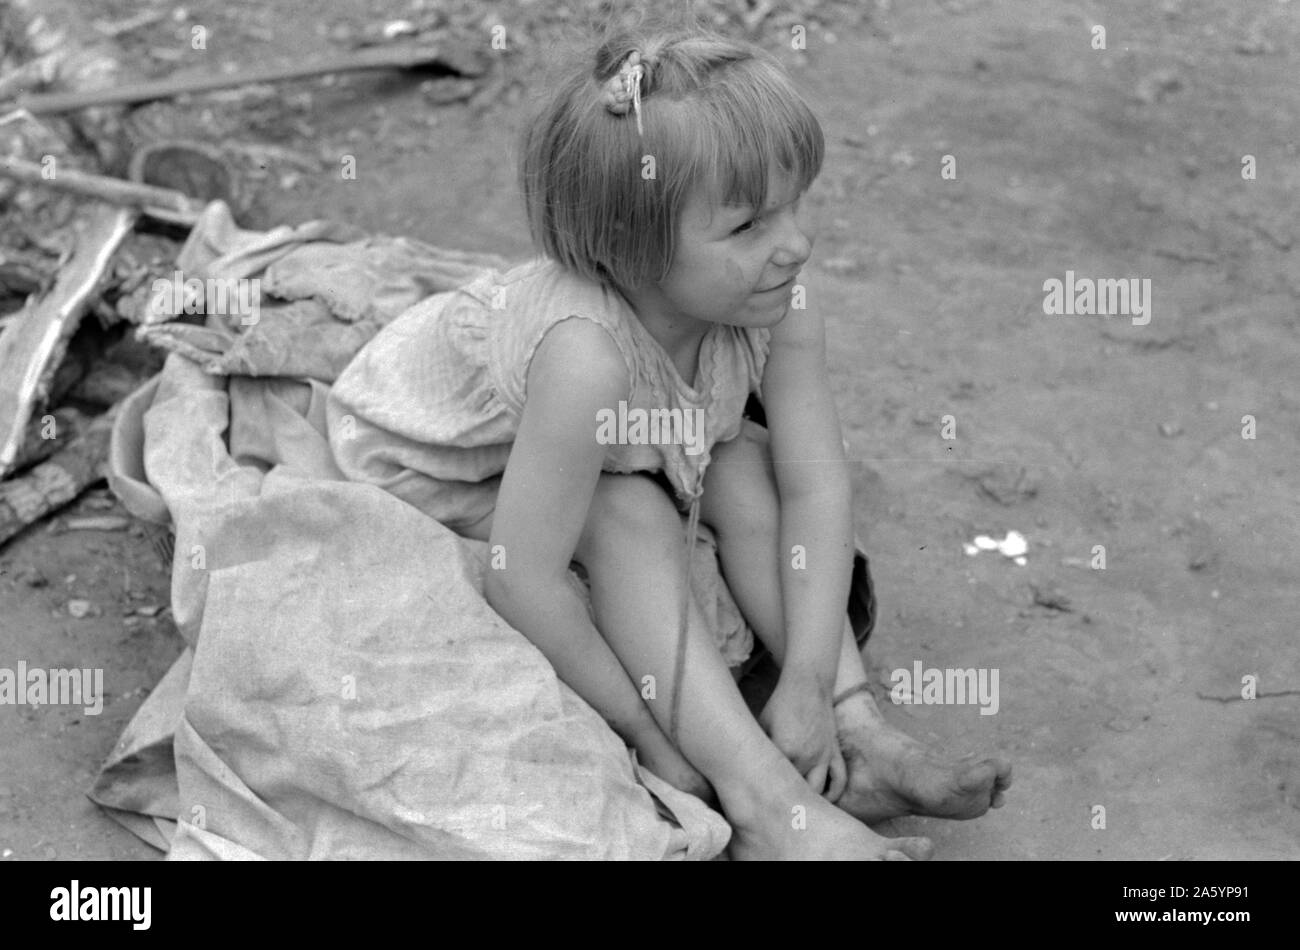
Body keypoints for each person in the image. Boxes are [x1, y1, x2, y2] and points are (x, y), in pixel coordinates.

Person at [328, 22, 1010, 860]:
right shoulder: (586, 356)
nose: (795, 243)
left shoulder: (779, 304)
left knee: (750, 465)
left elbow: (817, 487)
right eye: (749, 226)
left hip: (624, 440)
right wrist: (651, 740)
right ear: (632, 249)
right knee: (628, 518)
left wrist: (804, 681)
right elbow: (522, 578)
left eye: (795, 204)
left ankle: (855, 726)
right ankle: (763, 806)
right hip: (444, 465)